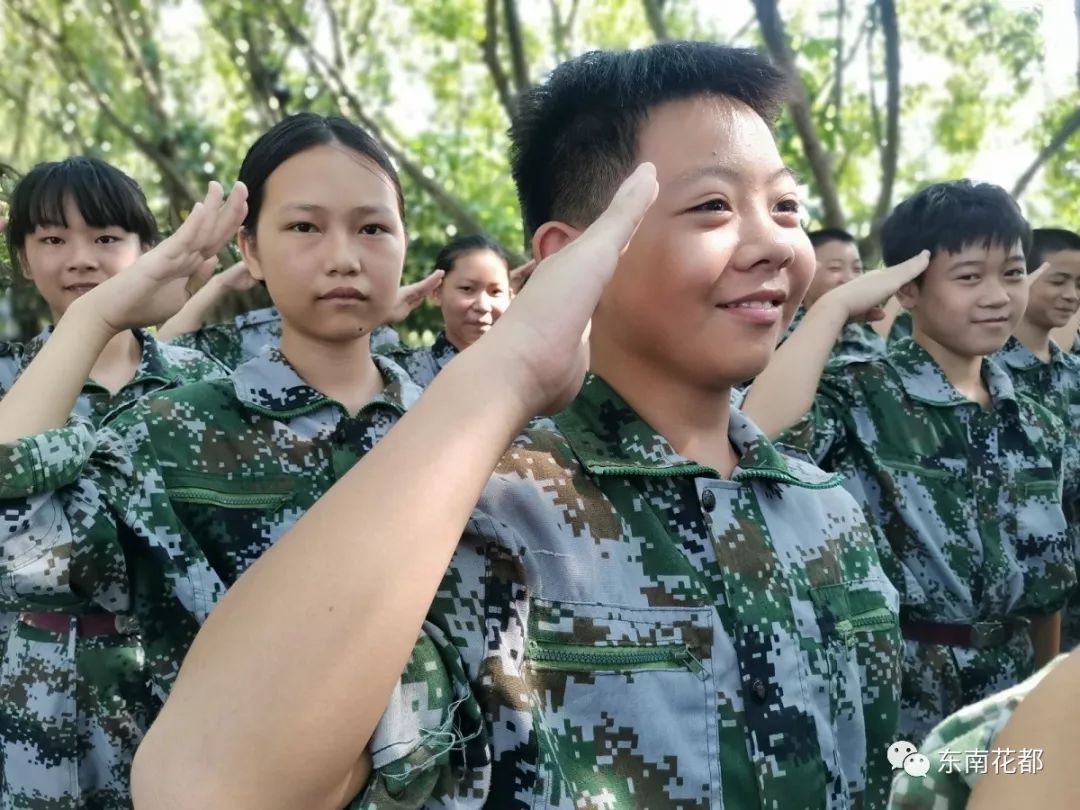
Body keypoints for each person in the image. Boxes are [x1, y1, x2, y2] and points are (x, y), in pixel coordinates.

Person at [133, 42, 903, 809]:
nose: (773, 243)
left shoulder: (823, 508)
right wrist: (509, 370)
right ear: (575, 255)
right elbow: (208, 786)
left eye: (786, 207)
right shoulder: (491, 518)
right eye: (713, 206)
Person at [743, 180, 1074, 744]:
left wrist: (1042, 695)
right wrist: (835, 307)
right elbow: (758, 433)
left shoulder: (1038, 417)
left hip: (1010, 689)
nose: (997, 295)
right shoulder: (864, 393)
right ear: (910, 289)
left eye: (1013, 273)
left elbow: (1048, 591)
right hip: (897, 689)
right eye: (969, 277)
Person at [0, 157, 226, 807]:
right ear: (22, 258)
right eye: (51, 239)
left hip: (183, 693)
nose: (80, 259)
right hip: (33, 701)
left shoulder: (201, 387)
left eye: (105, 238)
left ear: (147, 252)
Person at [992, 227, 1080, 651]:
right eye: (1059, 280)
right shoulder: (987, 373)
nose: (1071, 294)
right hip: (1012, 604)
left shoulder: (1074, 374)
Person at [156, 259, 443, 370]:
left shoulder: (383, 344)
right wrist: (221, 283)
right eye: (305, 228)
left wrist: (372, 317)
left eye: (369, 230)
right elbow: (166, 350)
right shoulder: (252, 333)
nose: (340, 259)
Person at [384, 233, 513, 385]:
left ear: (511, 297)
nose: (483, 306)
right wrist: (383, 311)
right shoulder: (400, 372)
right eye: (467, 289)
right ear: (437, 291)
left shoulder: (525, 376)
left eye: (496, 292)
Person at [781, 228, 886, 364]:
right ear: (805, 273)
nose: (850, 279)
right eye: (835, 268)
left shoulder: (870, 339)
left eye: (857, 269)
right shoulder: (780, 335)